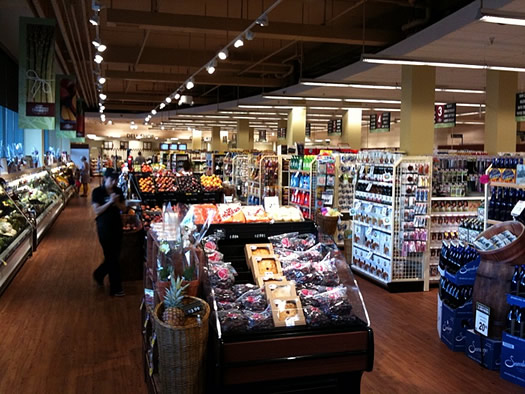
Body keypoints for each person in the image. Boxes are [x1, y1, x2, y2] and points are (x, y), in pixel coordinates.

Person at [92, 168, 127, 297]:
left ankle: (99, 274)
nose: (115, 182)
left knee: (114, 256)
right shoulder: (98, 192)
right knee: (112, 256)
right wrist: (110, 202)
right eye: (112, 179)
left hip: (117, 226)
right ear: (105, 179)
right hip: (104, 227)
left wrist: (117, 202)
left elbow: (124, 208)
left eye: (116, 180)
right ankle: (116, 288)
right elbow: (97, 211)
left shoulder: (118, 191)